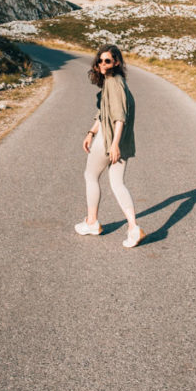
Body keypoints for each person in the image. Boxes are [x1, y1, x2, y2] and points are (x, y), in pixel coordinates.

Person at [74, 44, 145, 249]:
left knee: (90, 176)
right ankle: (133, 227)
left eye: (107, 61)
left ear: (117, 62)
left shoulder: (114, 82)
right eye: (100, 60)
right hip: (117, 140)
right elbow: (103, 112)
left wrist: (113, 144)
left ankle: (92, 222)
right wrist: (90, 132)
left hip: (110, 139)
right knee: (117, 183)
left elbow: (119, 117)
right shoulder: (115, 82)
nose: (102, 64)